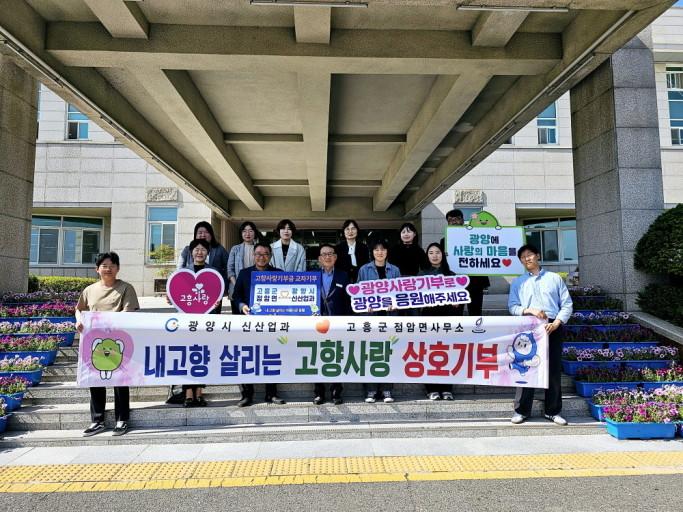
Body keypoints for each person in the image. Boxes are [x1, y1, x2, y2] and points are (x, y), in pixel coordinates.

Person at [508, 243, 573, 426]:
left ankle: (553, 411)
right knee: (526, 367)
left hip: (553, 326)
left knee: (552, 369)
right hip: (528, 329)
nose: (526, 259)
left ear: (538, 256)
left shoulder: (554, 278)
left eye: (529, 255)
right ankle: (521, 411)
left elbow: (566, 304)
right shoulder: (518, 282)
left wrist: (557, 322)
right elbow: (512, 307)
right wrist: (530, 310)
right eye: (522, 257)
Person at [76, 252, 139, 437]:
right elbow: (79, 310)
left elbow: (130, 313)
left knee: (120, 381)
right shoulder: (89, 290)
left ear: (118, 268)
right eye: (104, 265)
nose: (108, 268)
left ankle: (122, 419)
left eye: (112, 265)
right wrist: (78, 321)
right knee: (95, 380)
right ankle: (97, 420)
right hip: (94, 343)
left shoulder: (126, 288)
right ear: (97, 269)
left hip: (118, 342)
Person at [232, 242, 285, 406]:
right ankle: (247, 395)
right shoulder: (244, 273)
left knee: (271, 357)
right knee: (247, 357)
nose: (261, 257)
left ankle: (271, 394)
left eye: (265, 254)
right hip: (250, 323)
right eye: (258, 254)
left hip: (271, 324)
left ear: (270, 256)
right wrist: (242, 306)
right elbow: (236, 297)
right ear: (253, 256)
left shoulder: (279, 274)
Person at [177, 238, 221, 408]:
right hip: (188, 323)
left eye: (203, 249)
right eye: (196, 249)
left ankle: (199, 393)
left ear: (207, 252)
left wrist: (215, 303)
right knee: (188, 355)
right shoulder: (183, 273)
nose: (200, 252)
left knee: (202, 355)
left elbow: (216, 296)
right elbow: (179, 297)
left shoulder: (213, 273)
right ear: (191, 252)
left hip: (206, 322)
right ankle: (188, 393)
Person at [358, 238, 401, 403]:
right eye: (376, 249)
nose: (380, 252)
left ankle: (387, 390)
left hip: (389, 318)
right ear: (372, 252)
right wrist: (364, 304)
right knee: (370, 354)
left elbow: (401, 293)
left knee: (388, 354)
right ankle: (370, 390)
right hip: (370, 318)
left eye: (383, 249)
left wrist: (395, 303)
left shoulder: (395, 270)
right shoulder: (364, 270)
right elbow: (358, 293)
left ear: (387, 252)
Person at [418, 243, 463, 401]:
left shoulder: (451, 275)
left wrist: (457, 302)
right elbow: (415, 300)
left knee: (446, 353)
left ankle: (446, 389)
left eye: (437, 252)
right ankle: (431, 389)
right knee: (429, 354)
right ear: (427, 255)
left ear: (442, 255)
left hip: (447, 320)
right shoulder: (422, 275)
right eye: (431, 252)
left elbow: (460, 300)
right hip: (429, 320)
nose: (434, 255)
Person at [313, 244, 351, 405]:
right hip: (316, 324)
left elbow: (350, 301)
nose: (327, 257)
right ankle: (319, 392)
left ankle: (336, 392)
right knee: (316, 358)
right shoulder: (311, 276)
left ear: (335, 257)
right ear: (319, 259)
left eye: (330, 254)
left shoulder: (344, 276)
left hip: (338, 323)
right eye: (324, 254)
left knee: (336, 357)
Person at [441, 209, 490, 317]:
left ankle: (476, 332)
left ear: (463, 221)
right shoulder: (444, 240)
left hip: (476, 281)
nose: (454, 222)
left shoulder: (475, 236)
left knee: (475, 312)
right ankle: (458, 333)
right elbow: (443, 263)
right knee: (455, 313)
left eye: (457, 219)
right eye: (450, 220)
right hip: (455, 283)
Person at [177, 221, 229, 314]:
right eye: (200, 232)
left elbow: (227, 268)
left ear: (211, 234)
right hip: (190, 289)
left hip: (213, 290)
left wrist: (223, 287)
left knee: (213, 315)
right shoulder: (188, 249)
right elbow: (180, 270)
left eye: (206, 232)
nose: (203, 235)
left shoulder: (219, 249)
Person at [227, 221, 260, 314]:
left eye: (250, 231)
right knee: (237, 316)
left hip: (255, 288)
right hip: (236, 287)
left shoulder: (259, 249)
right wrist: (237, 284)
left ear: (255, 233)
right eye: (244, 231)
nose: (247, 234)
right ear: (241, 233)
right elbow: (230, 269)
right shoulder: (235, 249)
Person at [334, 219, 369, 283]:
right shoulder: (338, 248)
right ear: (343, 232)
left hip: (361, 279)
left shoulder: (364, 247)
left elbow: (366, 264)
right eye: (347, 229)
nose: (350, 231)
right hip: (343, 281)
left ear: (357, 231)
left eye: (353, 229)